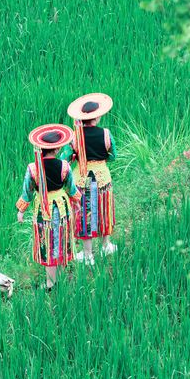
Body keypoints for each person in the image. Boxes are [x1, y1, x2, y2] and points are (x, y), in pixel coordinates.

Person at [16, 124, 82, 290]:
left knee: (47, 242)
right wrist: (78, 202)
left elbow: (27, 192)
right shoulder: (65, 166)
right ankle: (59, 277)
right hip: (61, 207)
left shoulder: (33, 168)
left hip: (42, 210)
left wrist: (21, 211)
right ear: (57, 148)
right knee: (61, 239)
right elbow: (71, 189)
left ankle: (50, 282)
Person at [62, 93, 118, 265]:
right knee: (103, 210)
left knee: (85, 214)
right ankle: (106, 245)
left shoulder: (74, 137)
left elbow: (65, 158)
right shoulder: (106, 134)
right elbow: (113, 156)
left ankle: (87, 254)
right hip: (102, 178)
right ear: (97, 117)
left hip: (82, 180)